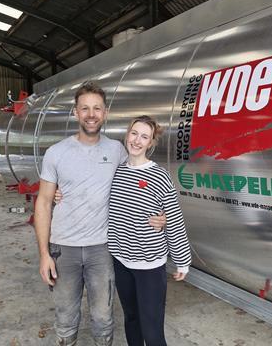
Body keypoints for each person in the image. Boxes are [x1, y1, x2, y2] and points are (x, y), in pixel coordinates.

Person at [34, 82, 166, 346]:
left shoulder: (117, 150)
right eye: (85, 108)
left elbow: (139, 180)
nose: (91, 114)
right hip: (64, 248)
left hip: (103, 248)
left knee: (103, 318)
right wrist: (44, 254)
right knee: (66, 317)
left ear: (105, 113)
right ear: (76, 112)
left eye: (96, 108)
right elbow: (44, 203)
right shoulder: (56, 153)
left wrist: (159, 212)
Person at [108, 115, 192, 346]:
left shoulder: (159, 176)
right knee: (131, 320)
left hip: (149, 266)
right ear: (127, 134)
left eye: (144, 137)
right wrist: (59, 194)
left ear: (151, 143)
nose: (137, 140)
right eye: (134, 133)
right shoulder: (116, 171)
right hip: (120, 260)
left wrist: (182, 260)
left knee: (152, 331)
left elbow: (173, 219)